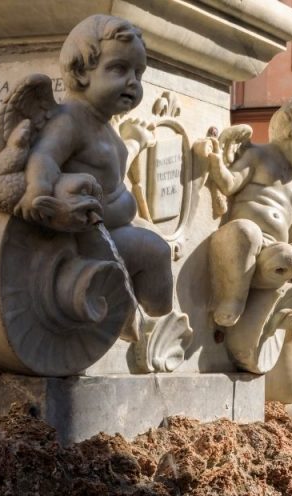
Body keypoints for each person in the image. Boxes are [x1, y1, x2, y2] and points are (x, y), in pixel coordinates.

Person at [19, 14, 173, 316]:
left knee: (152, 242)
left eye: (139, 73)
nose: (133, 81)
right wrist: (38, 188)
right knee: (156, 252)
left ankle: (133, 316)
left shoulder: (102, 126)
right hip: (86, 240)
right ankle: (156, 319)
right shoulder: (70, 121)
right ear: (80, 72)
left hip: (115, 228)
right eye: (119, 68)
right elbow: (45, 156)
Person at [205, 94, 292, 327]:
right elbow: (229, 184)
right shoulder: (258, 156)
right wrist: (215, 161)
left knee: (290, 256)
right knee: (247, 231)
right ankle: (232, 299)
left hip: (270, 256)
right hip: (240, 246)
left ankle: (256, 297)